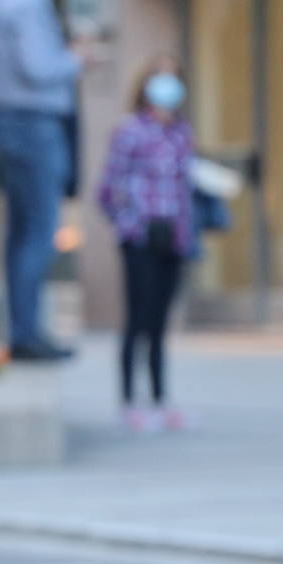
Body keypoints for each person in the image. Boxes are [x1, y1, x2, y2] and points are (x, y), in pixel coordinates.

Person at [0, 0, 89, 361]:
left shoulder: (5, 0)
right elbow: (38, 68)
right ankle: (27, 334)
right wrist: (77, 59)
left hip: (16, 122)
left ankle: (23, 331)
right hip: (32, 123)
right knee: (39, 232)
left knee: (23, 234)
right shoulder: (26, 2)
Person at [98, 55, 195, 433]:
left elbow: (185, 190)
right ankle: (128, 403)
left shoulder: (182, 134)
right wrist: (132, 224)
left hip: (173, 240)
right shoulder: (129, 132)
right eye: (160, 77)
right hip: (139, 239)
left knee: (159, 325)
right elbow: (107, 191)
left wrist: (185, 234)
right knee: (136, 321)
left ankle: (160, 401)